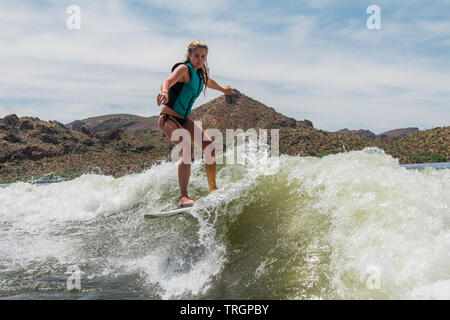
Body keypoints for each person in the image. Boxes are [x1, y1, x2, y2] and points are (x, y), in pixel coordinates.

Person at [156, 40, 235, 208]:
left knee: (210, 146)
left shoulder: (200, 75)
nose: (199, 59)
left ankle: (213, 189)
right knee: (187, 147)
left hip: (184, 120)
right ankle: (183, 197)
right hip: (168, 118)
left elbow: (209, 82)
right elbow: (168, 80)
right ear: (189, 55)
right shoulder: (184, 69)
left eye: (203, 56)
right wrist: (164, 91)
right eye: (196, 56)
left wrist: (223, 90)